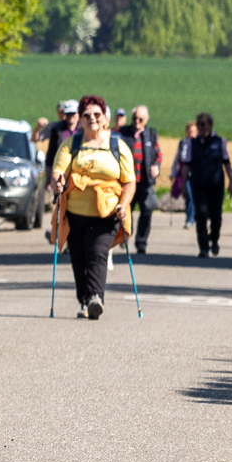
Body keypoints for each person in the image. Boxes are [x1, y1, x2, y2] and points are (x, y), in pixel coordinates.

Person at [46, 95, 134, 319]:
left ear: (105, 118)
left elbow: (129, 181)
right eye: (86, 115)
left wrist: (124, 204)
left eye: (97, 115)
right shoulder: (72, 144)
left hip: (107, 212)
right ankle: (84, 300)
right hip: (75, 213)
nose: (92, 119)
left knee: (97, 252)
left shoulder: (117, 145)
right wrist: (58, 181)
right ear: (80, 119)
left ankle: (96, 297)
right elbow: (59, 170)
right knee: (78, 257)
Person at [116, 105, 162, 255]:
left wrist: (156, 166)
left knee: (147, 211)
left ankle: (141, 243)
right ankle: (124, 237)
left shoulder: (151, 134)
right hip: (128, 182)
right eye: (135, 118)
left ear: (146, 120)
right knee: (125, 211)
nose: (137, 121)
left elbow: (158, 155)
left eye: (140, 119)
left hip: (145, 182)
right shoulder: (123, 133)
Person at [186, 113, 231, 258]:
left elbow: (227, 163)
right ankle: (203, 247)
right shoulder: (192, 143)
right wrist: (181, 184)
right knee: (201, 215)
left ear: (210, 125)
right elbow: (187, 165)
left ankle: (214, 239)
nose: (200, 127)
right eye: (198, 124)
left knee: (216, 216)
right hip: (198, 184)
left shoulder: (219, 142)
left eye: (203, 124)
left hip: (216, 184)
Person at [170, 121, 198, 229]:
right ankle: (189, 219)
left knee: (194, 197)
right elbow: (177, 159)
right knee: (188, 195)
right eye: (190, 131)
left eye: (194, 131)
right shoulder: (183, 143)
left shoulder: (199, 143)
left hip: (196, 173)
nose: (191, 133)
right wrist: (173, 172)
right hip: (184, 174)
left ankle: (193, 217)